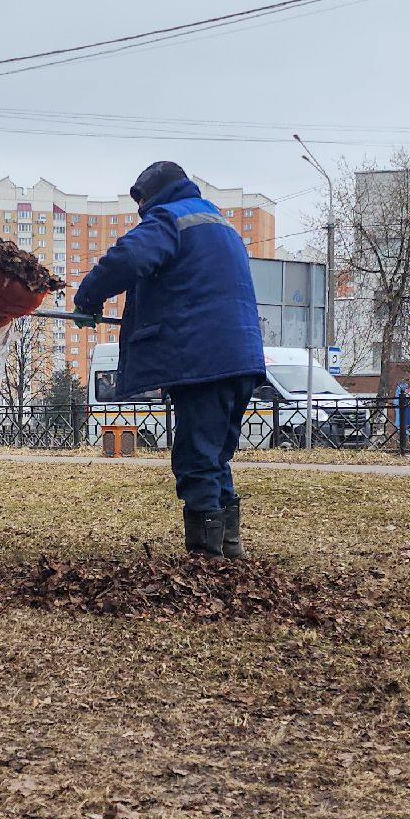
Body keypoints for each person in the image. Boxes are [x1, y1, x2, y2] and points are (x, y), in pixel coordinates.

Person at [72, 161, 265, 558]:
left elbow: (128, 259)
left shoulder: (169, 218)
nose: (140, 209)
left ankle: (207, 562)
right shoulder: (221, 224)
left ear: (152, 194)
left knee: (196, 457)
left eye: (140, 200)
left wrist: (88, 297)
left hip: (203, 360)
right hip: (241, 356)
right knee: (215, 456)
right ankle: (229, 553)